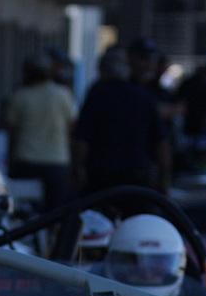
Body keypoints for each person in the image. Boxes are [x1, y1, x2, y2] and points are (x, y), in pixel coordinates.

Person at [73, 47, 170, 195]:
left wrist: (77, 168)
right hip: (138, 174)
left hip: (100, 176)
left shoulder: (96, 95)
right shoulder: (144, 96)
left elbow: (82, 138)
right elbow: (161, 141)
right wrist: (164, 177)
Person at [4, 54, 76, 213]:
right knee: (54, 211)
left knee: (26, 211)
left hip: (27, 159)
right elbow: (71, 128)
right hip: (57, 160)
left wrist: (10, 160)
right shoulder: (63, 94)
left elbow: (12, 132)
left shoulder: (21, 96)